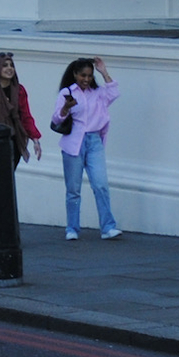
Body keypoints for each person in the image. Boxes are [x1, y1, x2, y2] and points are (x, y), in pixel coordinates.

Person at [51, 56, 122, 241]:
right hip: (73, 142)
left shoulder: (98, 92)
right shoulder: (67, 93)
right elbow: (57, 119)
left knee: (100, 184)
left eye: (89, 76)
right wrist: (66, 108)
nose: (86, 79)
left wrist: (103, 71)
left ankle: (108, 227)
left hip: (94, 141)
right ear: (75, 74)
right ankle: (72, 227)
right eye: (83, 75)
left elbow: (113, 93)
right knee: (73, 189)